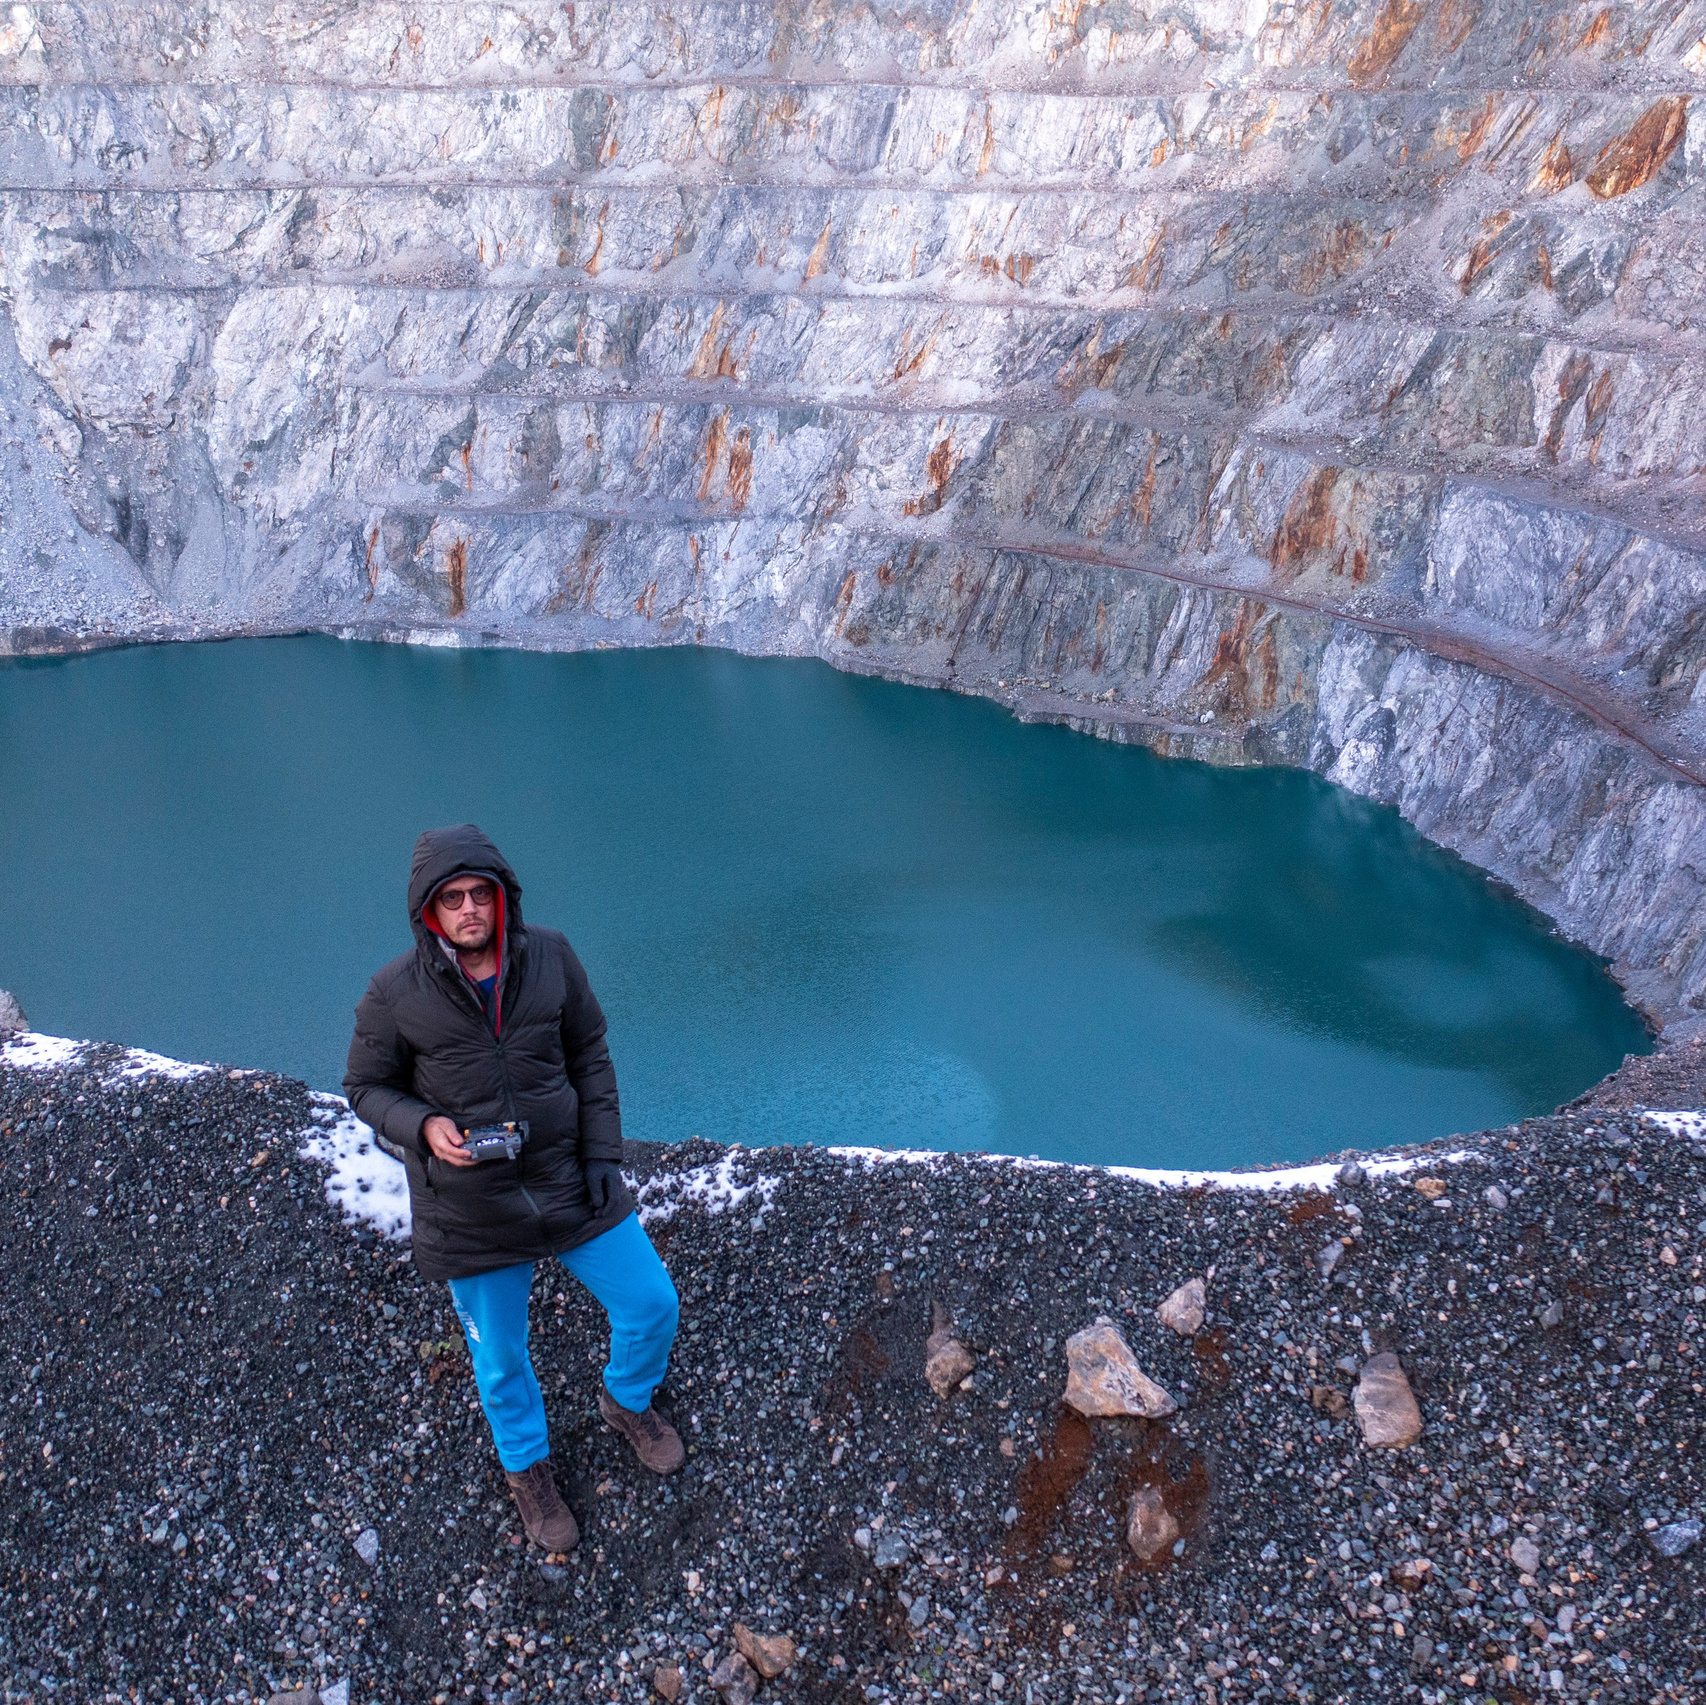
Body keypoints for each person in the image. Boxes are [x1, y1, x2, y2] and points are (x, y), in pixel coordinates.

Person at [345, 824, 683, 1554]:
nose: (470, 909)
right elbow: (366, 1086)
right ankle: (527, 1470)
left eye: (481, 894)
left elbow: (589, 1051)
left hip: (566, 1176)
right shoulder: (394, 991)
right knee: (500, 1356)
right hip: (472, 1208)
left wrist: (603, 1151)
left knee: (653, 1302)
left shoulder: (552, 957)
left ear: (503, 898)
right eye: (452, 899)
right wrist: (424, 1123)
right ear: (429, 913)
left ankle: (626, 1402)